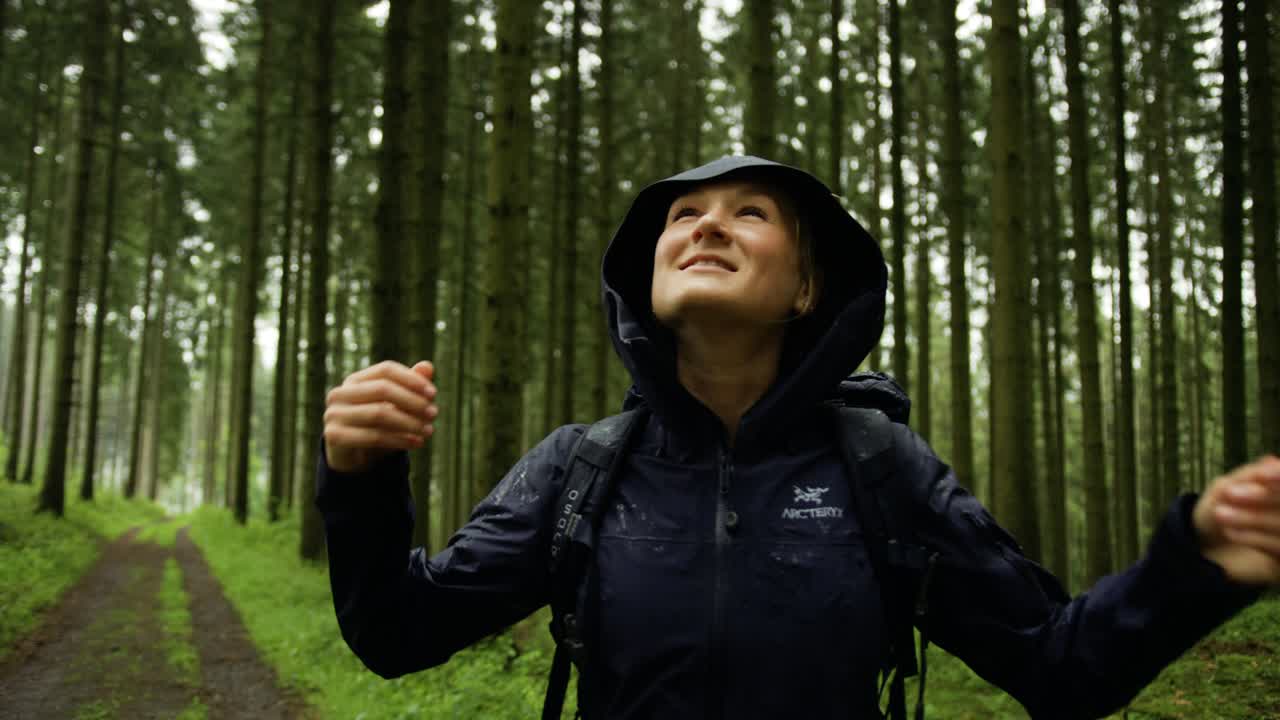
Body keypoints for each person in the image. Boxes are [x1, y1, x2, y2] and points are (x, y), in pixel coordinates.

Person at [318, 156, 1278, 719]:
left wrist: (1193, 565)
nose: (705, 227)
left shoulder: (882, 469)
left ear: (808, 290)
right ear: (644, 281)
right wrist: (361, 478)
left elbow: (1061, 666)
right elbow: (396, 633)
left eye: (749, 214)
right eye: (682, 216)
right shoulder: (582, 469)